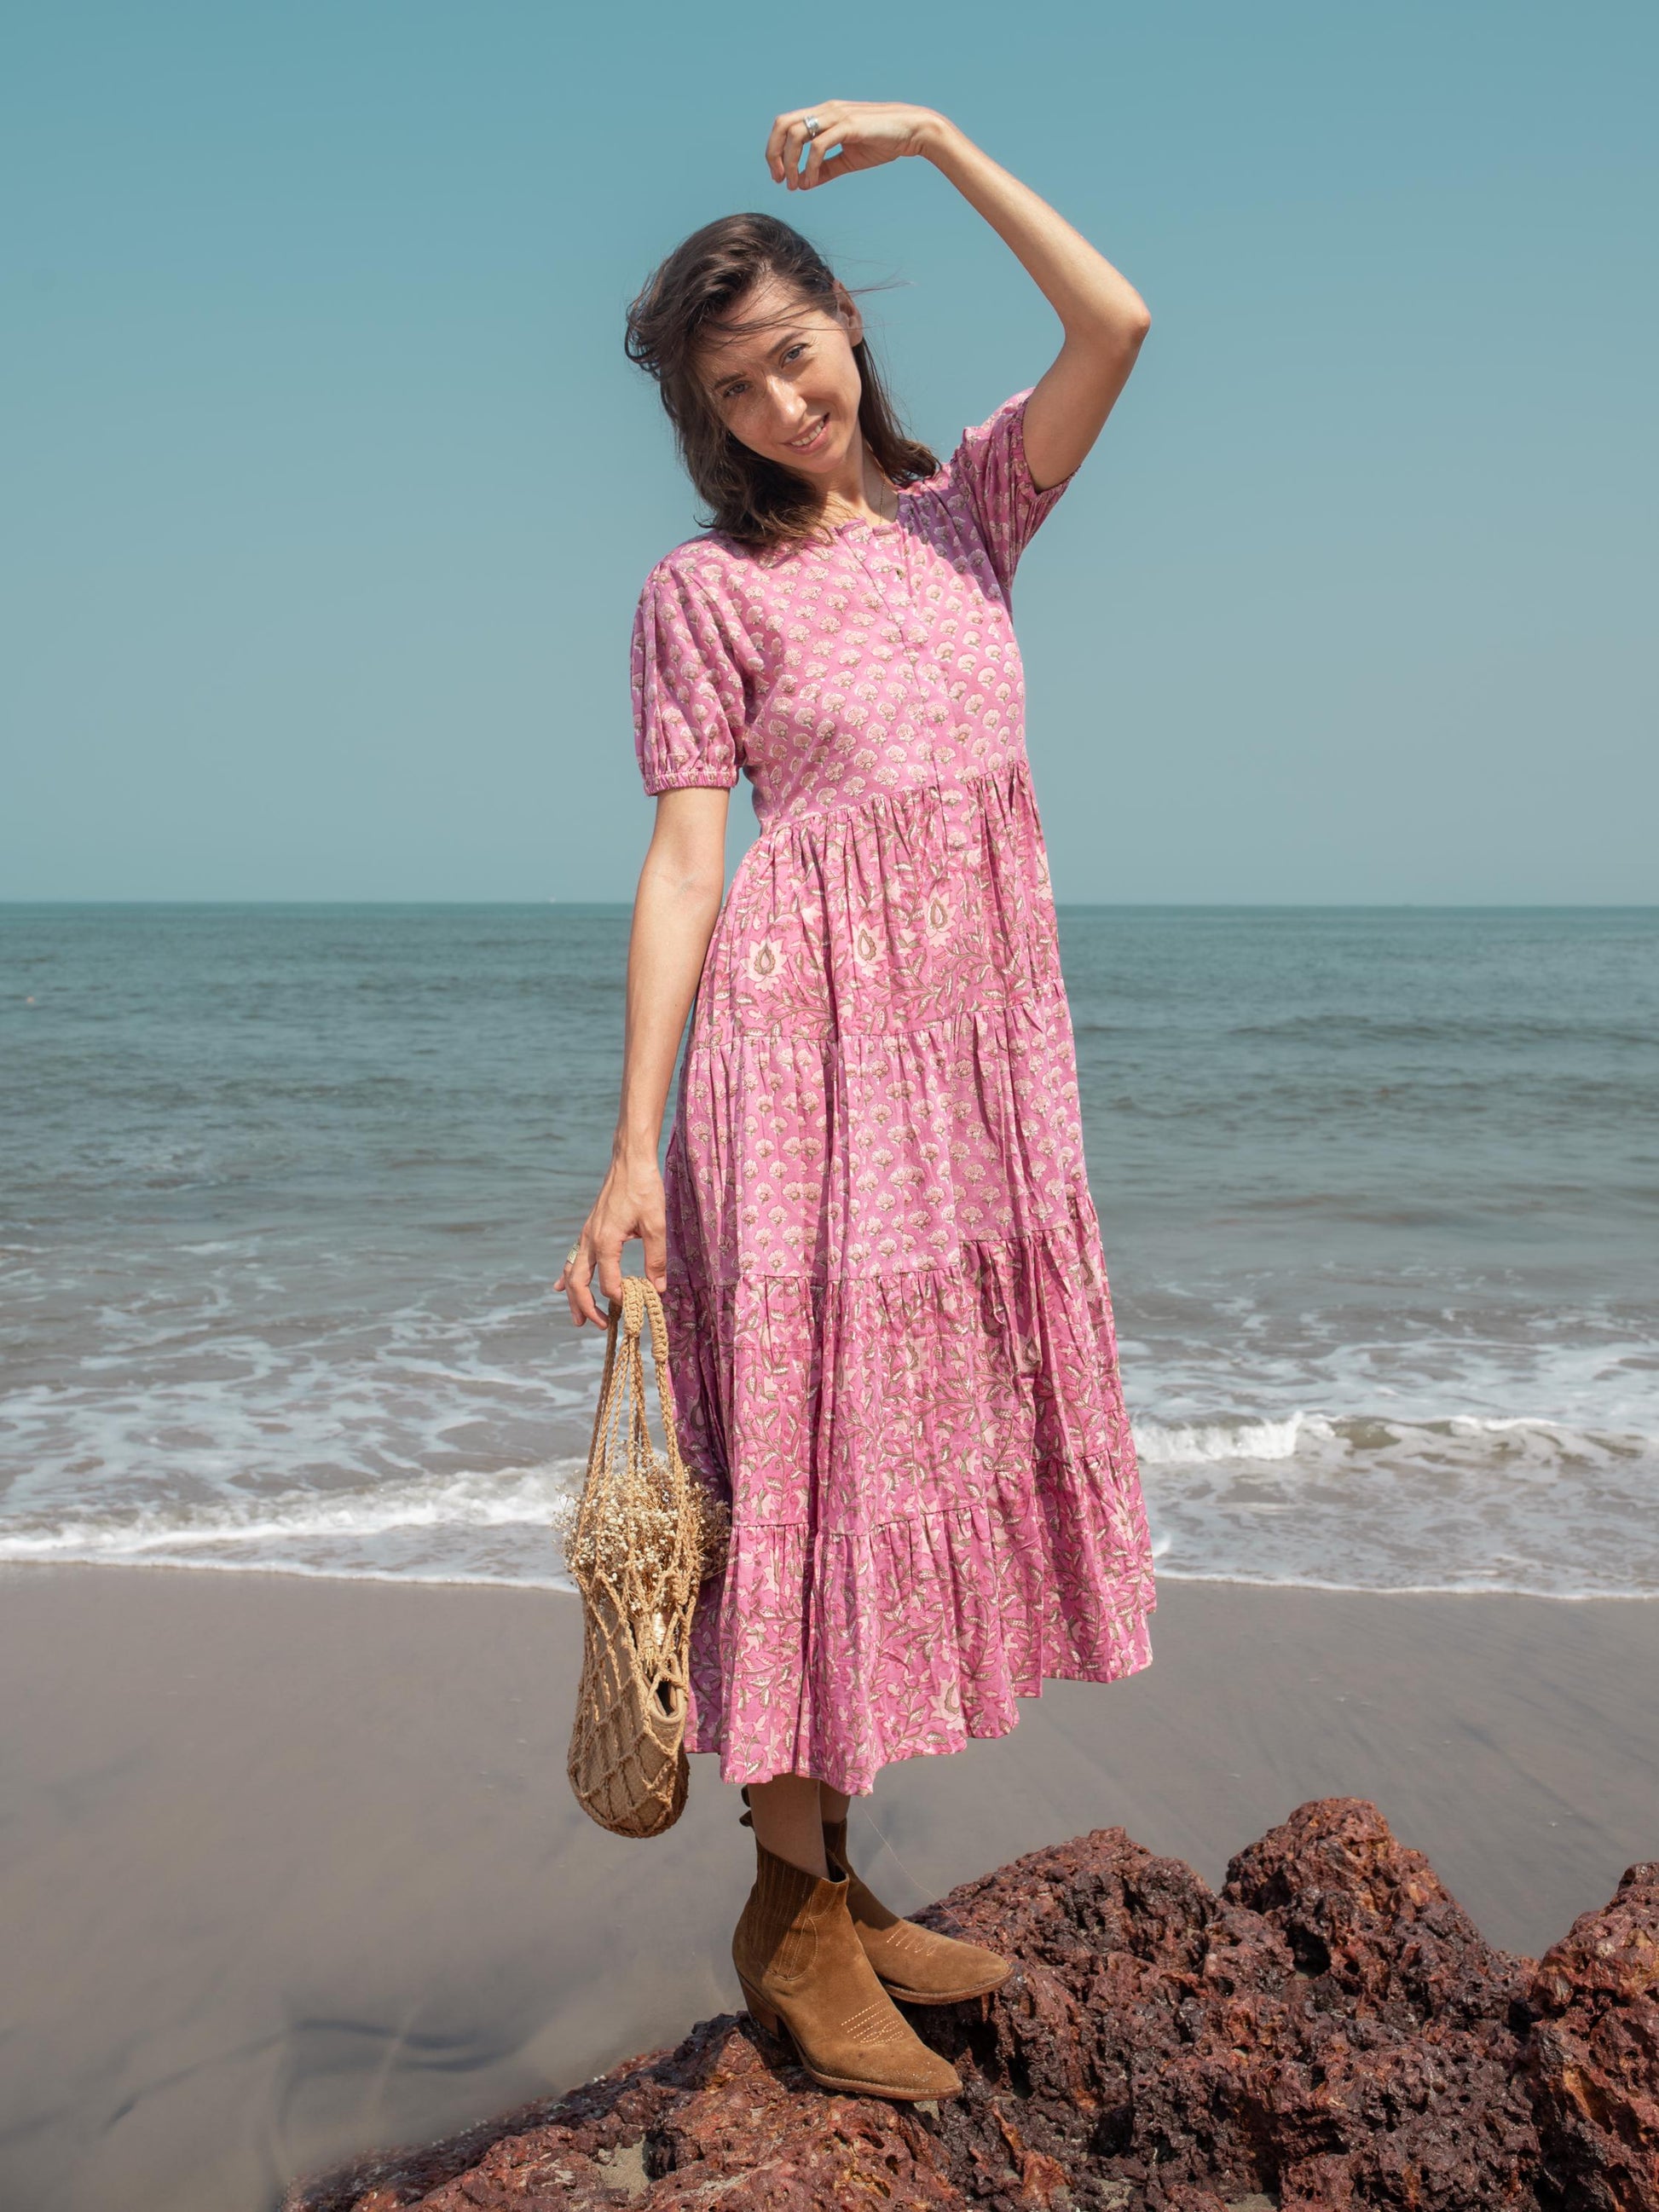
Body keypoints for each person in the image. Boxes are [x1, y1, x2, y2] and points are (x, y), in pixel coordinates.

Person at [557, 100, 1157, 2103]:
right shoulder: (704, 591)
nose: (783, 400)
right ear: (702, 416)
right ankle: (789, 1920)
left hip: (971, 1059)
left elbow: (1118, 318)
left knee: (897, 1448)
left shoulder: (966, 515)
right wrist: (632, 1144)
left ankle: (831, 1875)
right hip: (804, 1071)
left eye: (797, 350)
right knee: (812, 1467)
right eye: (737, 388)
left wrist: (936, 139)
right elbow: (681, 867)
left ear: (843, 323)